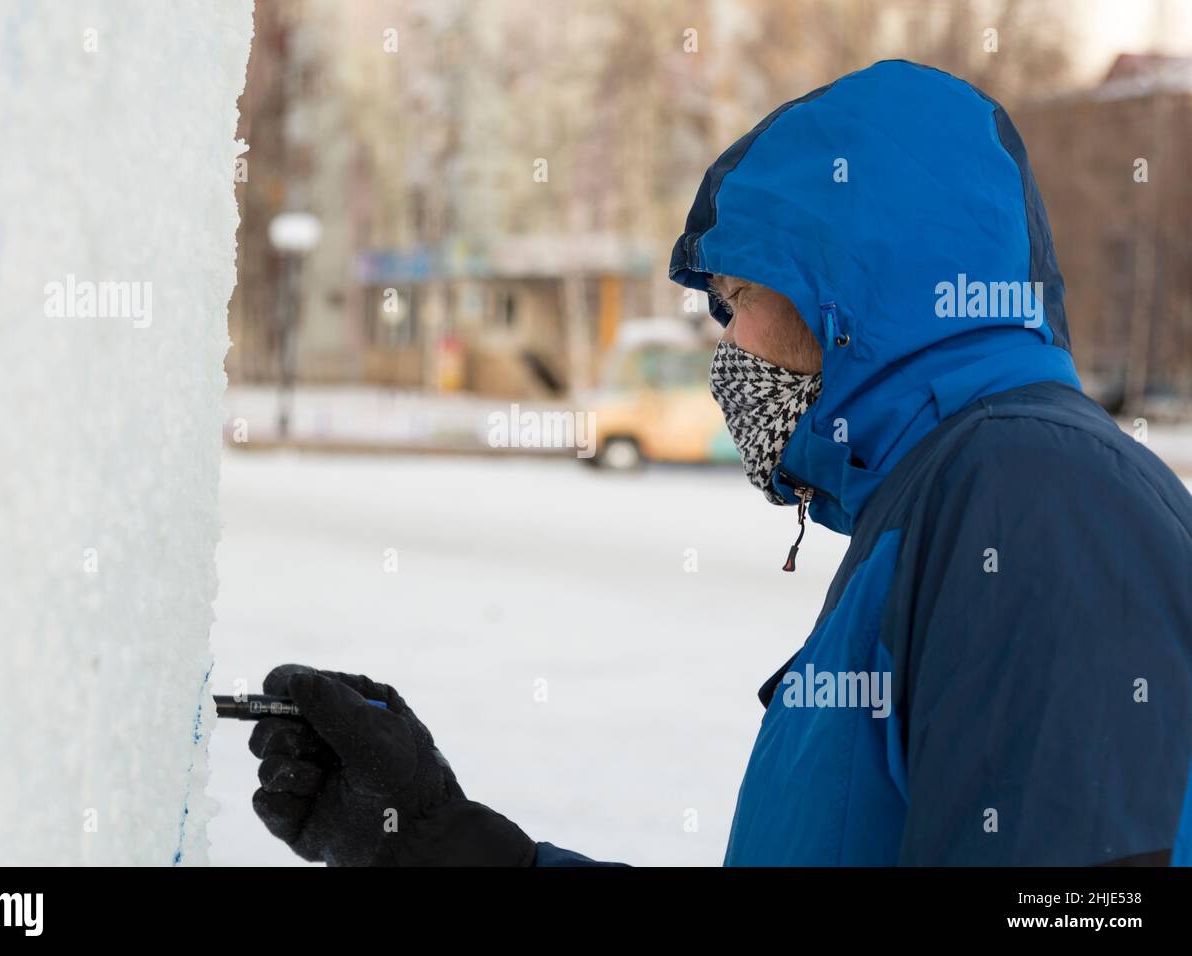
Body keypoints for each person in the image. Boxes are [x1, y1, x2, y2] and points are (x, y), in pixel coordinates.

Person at [248, 60, 1192, 866]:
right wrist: (435, 841)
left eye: (738, 293)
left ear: (851, 288)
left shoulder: (1037, 496)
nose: (726, 338)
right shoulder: (950, 497)